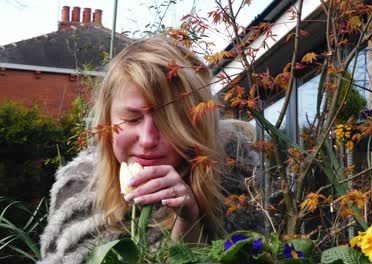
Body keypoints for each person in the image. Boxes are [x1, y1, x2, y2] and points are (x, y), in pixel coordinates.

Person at [38, 36, 259, 264]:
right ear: (106, 121)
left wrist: (188, 224)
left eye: (167, 122)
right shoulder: (77, 192)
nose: (147, 139)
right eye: (132, 119)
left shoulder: (235, 190)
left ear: (196, 126)